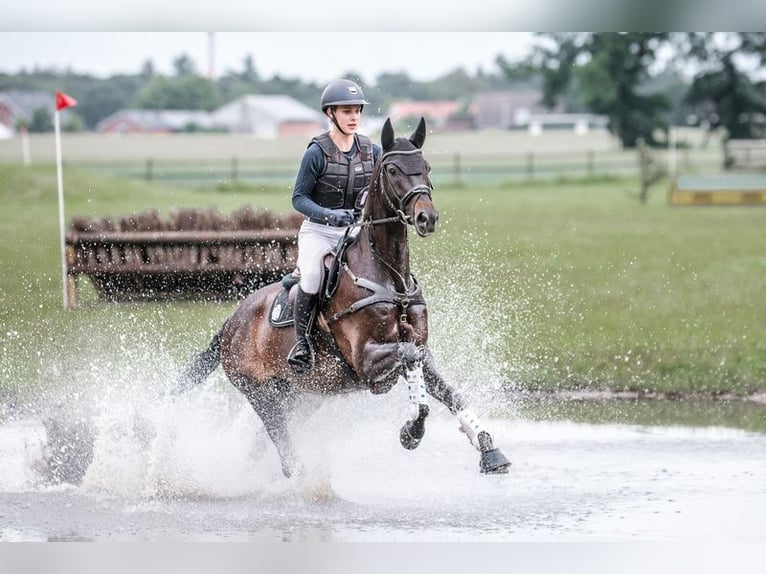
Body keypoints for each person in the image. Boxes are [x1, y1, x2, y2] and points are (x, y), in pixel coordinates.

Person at [287, 78, 382, 374]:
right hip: (319, 231)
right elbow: (298, 198)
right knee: (314, 275)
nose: (354, 117)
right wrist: (329, 215)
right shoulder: (316, 152)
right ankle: (301, 344)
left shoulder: (372, 151)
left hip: (355, 231)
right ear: (330, 114)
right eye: (346, 112)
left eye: (357, 111)